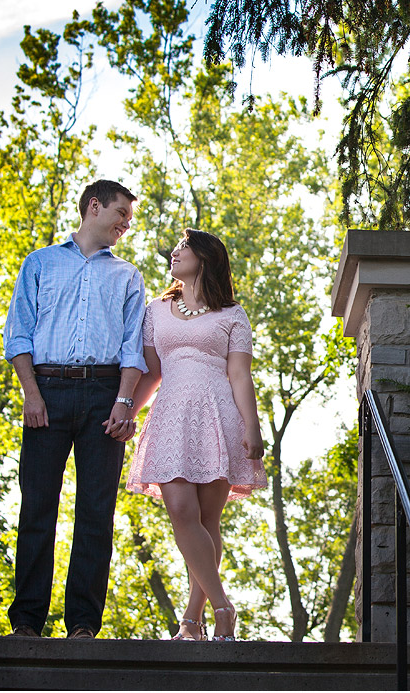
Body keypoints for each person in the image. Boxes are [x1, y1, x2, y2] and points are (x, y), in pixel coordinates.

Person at [2, 179, 147, 639]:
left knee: (96, 513)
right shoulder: (40, 263)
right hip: (47, 391)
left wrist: (124, 403)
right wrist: (31, 394)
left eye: (129, 216)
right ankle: (26, 622)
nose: (127, 223)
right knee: (37, 508)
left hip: (105, 397)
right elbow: (18, 335)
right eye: (121, 212)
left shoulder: (128, 276)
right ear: (95, 206)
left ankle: (83, 624)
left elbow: (132, 347)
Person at [126, 228, 266, 641]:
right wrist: (128, 413)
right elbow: (151, 373)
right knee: (182, 512)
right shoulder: (155, 310)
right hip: (170, 413)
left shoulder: (232, 315)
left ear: (205, 257)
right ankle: (223, 605)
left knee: (208, 519)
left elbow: (240, 374)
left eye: (183, 247)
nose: (174, 252)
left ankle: (191, 619)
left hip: (219, 415)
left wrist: (253, 428)